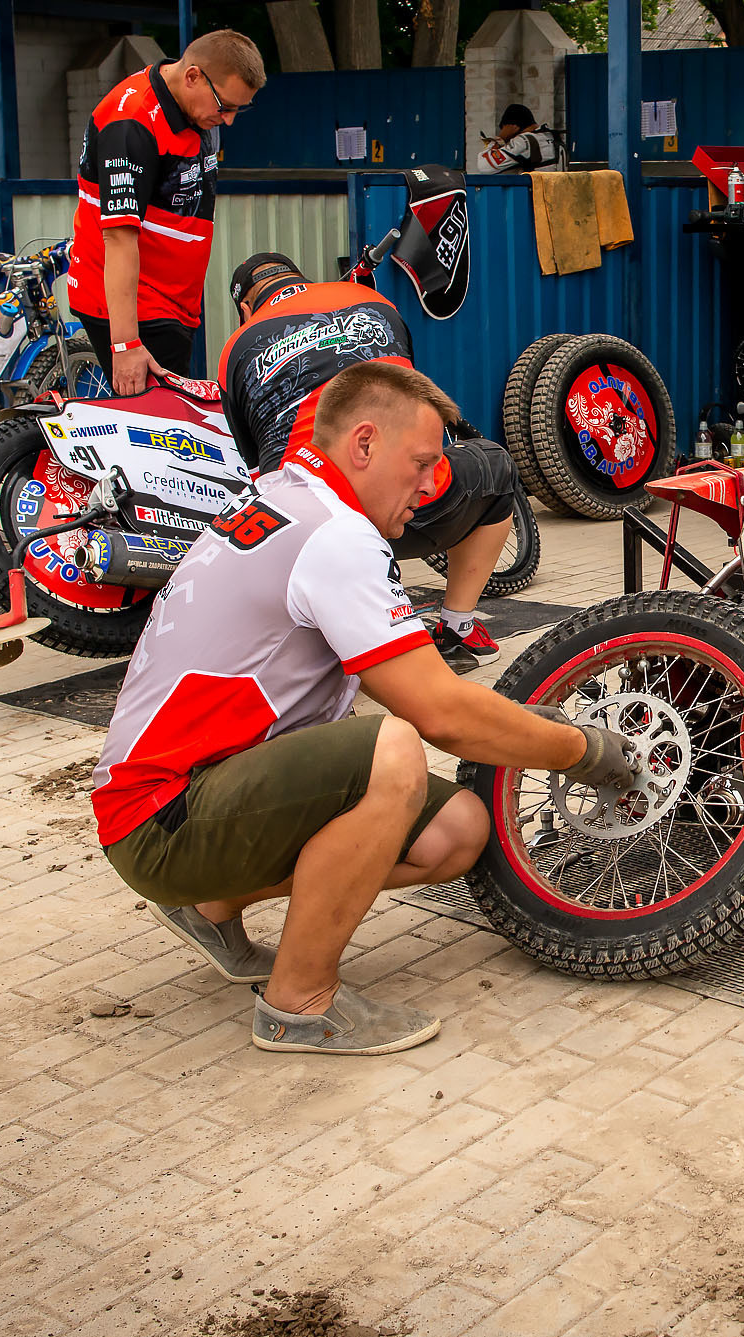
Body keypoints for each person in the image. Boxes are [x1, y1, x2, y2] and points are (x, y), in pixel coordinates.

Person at [90, 360, 637, 1056]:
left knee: (458, 828)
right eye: (421, 464)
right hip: (160, 813)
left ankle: (211, 908)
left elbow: (412, 682)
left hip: (186, 793)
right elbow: (439, 712)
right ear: (364, 444)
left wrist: (534, 733)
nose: (431, 487)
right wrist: (583, 750)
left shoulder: (286, 495)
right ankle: (301, 1002)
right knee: (394, 750)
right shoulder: (335, 536)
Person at [218, 252, 526, 672]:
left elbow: (262, 474)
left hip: (313, 530)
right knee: (496, 465)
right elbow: (408, 399)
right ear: (303, 279)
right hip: (417, 502)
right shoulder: (372, 301)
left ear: (245, 308)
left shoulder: (237, 345)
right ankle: (457, 623)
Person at [70, 29, 265, 396]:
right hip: (139, 308)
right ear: (192, 76)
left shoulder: (197, 108)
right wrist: (126, 345)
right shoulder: (131, 124)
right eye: (225, 106)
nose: (229, 121)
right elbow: (117, 236)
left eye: (240, 109)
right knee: (158, 431)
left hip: (173, 301)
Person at [471, 103, 564, 175]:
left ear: (512, 126)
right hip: (559, 192)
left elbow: (484, 166)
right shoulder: (552, 135)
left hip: (539, 196)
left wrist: (500, 139)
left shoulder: (524, 141)